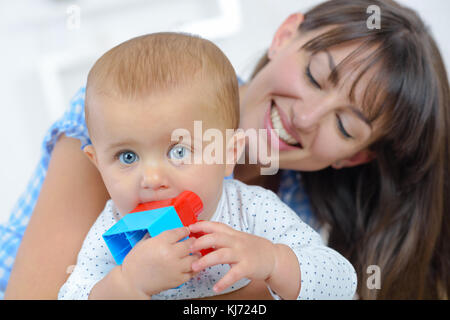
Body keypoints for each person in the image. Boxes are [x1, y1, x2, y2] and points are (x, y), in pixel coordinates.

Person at [3, 0, 449, 299]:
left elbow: (335, 282)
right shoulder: (124, 118)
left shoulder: (274, 208)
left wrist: (273, 262)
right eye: (315, 76)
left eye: (345, 125)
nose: (307, 117)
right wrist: (127, 283)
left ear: (353, 158)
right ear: (285, 34)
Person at [57, 32, 356, 300]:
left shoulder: (251, 210)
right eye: (127, 157)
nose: (151, 178)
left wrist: (275, 261)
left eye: (178, 151)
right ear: (97, 163)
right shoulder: (110, 230)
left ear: (228, 155)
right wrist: (126, 285)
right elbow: (72, 295)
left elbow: (342, 282)